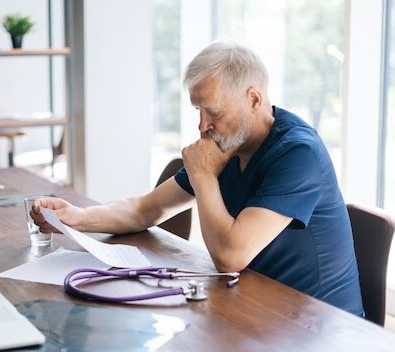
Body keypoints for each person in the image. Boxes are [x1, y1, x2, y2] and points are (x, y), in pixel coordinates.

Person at [30, 42, 364, 316]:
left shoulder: (297, 153)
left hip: (321, 326)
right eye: (198, 112)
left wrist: (204, 175)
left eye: (214, 113)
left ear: (254, 99)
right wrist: (76, 217)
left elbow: (231, 255)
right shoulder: (228, 142)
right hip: (256, 308)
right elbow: (144, 209)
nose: (202, 126)